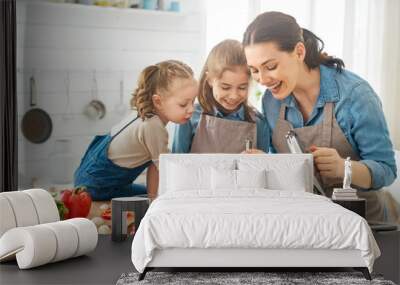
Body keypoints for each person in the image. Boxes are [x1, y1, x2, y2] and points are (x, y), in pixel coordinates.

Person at [242, 11, 397, 221]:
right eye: (254, 70)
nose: (262, 79)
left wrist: (345, 168)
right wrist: (267, 163)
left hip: (364, 225)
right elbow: (282, 163)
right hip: (308, 221)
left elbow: (386, 170)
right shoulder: (271, 101)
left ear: (299, 52)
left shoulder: (355, 96)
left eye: (270, 67)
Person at [74, 60, 198, 201]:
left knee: (151, 195)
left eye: (193, 102)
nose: (191, 109)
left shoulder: (143, 113)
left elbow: (155, 165)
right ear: (158, 101)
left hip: (87, 177)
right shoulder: (154, 126)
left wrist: (153, 198)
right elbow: (163, 169)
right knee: (159, 197)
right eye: (183, 104)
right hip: (99, 186)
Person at [172, 39, 269, 154]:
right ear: (210, 80)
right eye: (225, 87)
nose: (234, 96)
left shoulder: (259, 123)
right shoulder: (190, 117)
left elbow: (263, 168)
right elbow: (176, 164)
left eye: (242, 88)